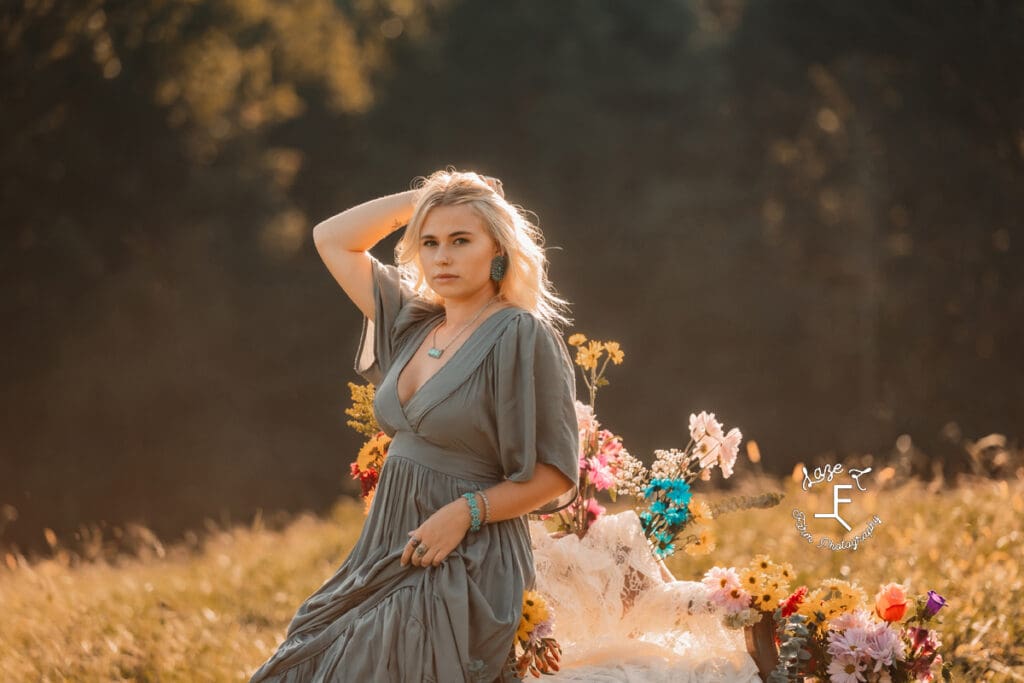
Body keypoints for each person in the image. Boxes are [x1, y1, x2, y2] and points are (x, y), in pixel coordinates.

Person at [248, 168, 580, 683]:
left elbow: (556, 475)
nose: (442, 256)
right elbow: (331, 239)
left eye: (460, 240)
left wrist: (464, 513)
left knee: (365, 663)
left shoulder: (521, 333)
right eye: (429, 242)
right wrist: (429, 197)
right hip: (385, 547)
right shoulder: (413, 323)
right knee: (303, 663)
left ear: (498, 250)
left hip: (468, 556)